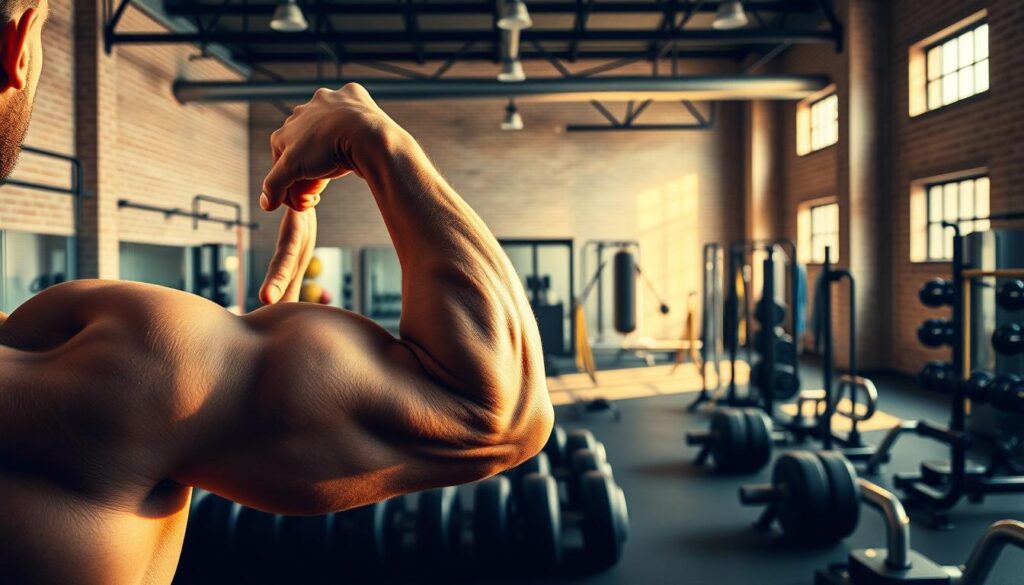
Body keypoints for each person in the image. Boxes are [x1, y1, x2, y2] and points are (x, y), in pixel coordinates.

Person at [0, 1, 553, 583]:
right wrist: (375, 140)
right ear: (19, 43)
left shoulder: (58, 359)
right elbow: (490, 410)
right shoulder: (107, 367)